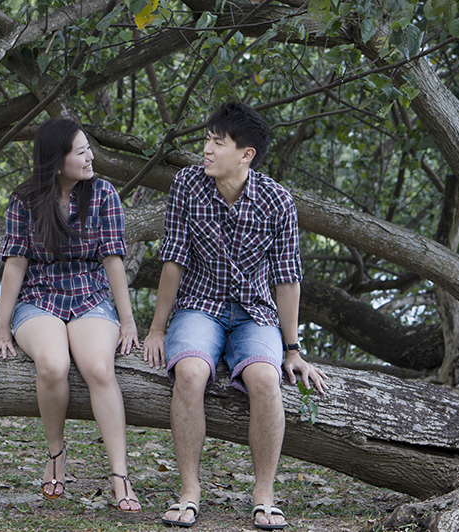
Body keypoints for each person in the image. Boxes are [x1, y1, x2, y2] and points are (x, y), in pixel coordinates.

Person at [143, 102, 328, 529]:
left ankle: (264, 494)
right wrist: (156, 329)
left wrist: (294, 348)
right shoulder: (187, 185)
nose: (206, 149)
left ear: (246, 155)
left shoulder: (277, 200)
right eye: (206, 139)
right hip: (199, 305)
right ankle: (190, 491)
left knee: (266, 380)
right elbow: (173, 261)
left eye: (216, 142)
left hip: (254, 313)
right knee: (189, 373)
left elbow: (287, 279)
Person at [0, 117, 142, 513]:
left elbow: (113, 261)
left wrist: (128, 322)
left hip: (90, 296)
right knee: (53, 365)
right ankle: (56, 454)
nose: (91, 157)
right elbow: (16, 264)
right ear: (57, 161)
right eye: (81, 151)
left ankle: (119, 474)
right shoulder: (24, 200)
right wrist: (2, 328)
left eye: (89, 147)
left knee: (98, 367)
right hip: (39, 297)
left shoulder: (104, 194)